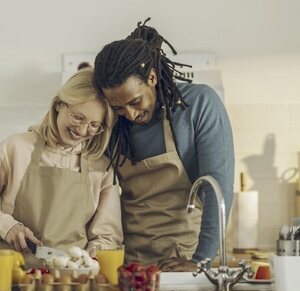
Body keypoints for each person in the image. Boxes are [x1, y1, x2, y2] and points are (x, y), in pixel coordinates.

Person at [93, 18, 234, 271]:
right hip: (128, 262)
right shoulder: (113, 122)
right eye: (118, 107)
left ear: (152, 77)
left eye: (135, 101)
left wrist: (201, 261)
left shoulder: (198, 105)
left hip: (185, 259)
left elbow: (218, 186)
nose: (130, 114)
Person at [0, 68, 123, 264]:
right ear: (60, 104)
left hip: (72, 281)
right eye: (78, 117)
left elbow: (107, 236)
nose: (82, 130)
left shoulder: (101, 167)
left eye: (94, 124)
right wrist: (6, 225)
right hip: (15, 275)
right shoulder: (15, 149)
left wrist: (92, 258)